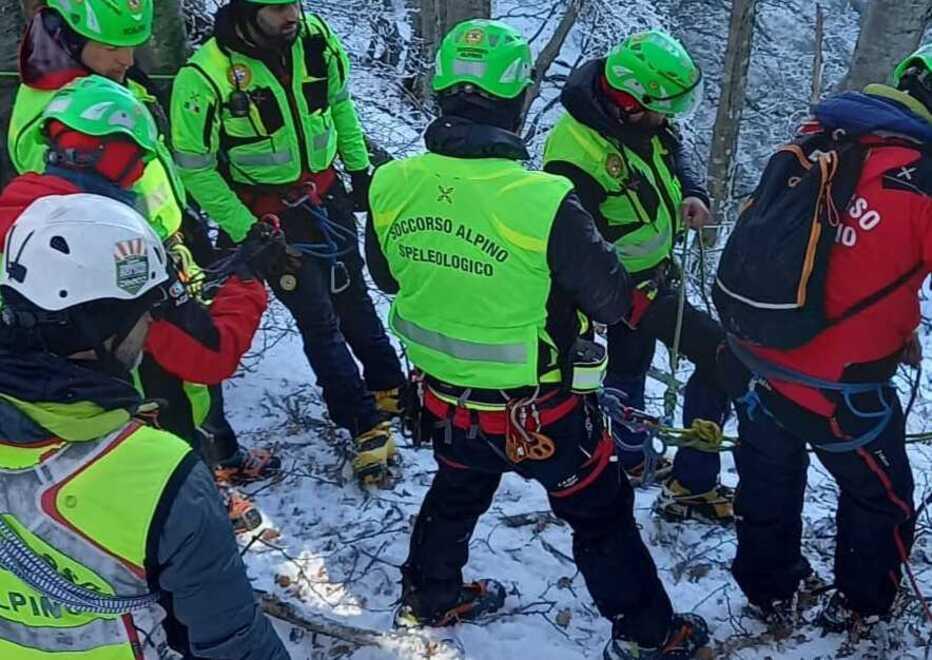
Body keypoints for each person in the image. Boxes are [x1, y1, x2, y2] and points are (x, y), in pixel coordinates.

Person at [366, 19, 709, 659]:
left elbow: (389, 275)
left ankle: (431, 593)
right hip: (538, 410)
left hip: (447, 400)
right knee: (600, 515)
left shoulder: (391, 184)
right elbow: (608, 299)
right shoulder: (543, 200)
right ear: (520, 99)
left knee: (459, 486)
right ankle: (650, 634)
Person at [0, 193, 289, 658]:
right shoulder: (159, 475)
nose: (151, 322)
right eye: (144, 312)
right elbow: (235, 644)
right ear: (104, 329)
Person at [7, 0, 280, 488]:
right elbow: (68, 235)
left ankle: (216, 456)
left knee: (193, 385)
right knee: (165, 388)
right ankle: (184, 485)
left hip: (156, 249)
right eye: (112, 46)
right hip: (123, 276)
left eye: (131, 45)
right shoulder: (51, 120)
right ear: (69, 38)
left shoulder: (97, 88)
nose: (127, 59)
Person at [718, 46, 932, 636]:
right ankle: (861, 606)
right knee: (881, 498)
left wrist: (900, 323)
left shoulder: (821, 138)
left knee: (767, 475)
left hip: (759, 354)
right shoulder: (923, 180)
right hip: (839, 385)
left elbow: (831, 248)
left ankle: (767, 590)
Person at [171, 0, 406, 484]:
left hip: (324, 194)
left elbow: (338, 103)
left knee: (354, 296)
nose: (290, 15)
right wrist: (247, 229)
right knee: (318, 318)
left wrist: (357, 167)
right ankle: (362, 421)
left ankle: (388, 385)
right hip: (269, 215)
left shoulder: (315, 40)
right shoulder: (206, 76)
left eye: (293, 3)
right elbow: (194, 166)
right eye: (277, 8)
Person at [542, 30, 733, 524]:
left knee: (631, 365)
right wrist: (625, 303)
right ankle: (691, 481)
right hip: (626, 290)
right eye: (661, 108)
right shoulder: (574, 155)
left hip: (653, 275)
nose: (668, 117)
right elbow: (574, 250)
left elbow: (673, 155)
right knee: (721, 358)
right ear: (628, 102)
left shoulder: (642, 122)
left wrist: (693, 193)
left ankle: (631, 458)